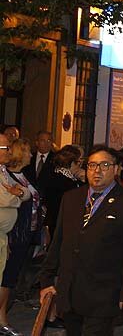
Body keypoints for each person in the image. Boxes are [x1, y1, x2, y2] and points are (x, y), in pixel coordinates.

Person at [38, 145, 123, 336]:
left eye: (104, 165)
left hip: (104, 294)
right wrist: (47, 279)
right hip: (71, 292)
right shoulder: (71, 198)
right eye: (92, 165)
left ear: (116, 169)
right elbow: (59, 241)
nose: (97, 171)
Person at [0, 137, 34, 334]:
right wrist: (17, 196)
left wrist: (18, 194)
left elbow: (26, 195)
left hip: (9, 235)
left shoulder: (4, 171)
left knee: (6, 278)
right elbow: (6, 198)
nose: (8, 150)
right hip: (11, 234)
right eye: (5, 147)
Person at [41, 145, 84, 241]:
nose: (80, 166)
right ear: (72, 163)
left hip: (56, 223)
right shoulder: (67, 183)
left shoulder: (56, 175)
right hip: (62, 225)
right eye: (78, 162)